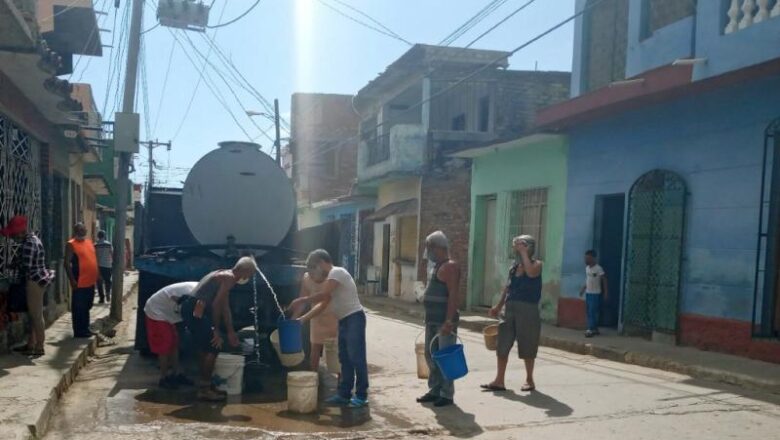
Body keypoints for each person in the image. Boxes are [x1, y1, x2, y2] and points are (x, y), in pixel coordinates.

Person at [289, 249, 368, 408]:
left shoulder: (336, 272)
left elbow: (324, 296)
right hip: (344, 320)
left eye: (314, 266)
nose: (313, 271)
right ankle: (344, 394)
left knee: (356, 357)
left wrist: (301, 300)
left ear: (321, 263)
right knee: (344, 358)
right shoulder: (330, 275)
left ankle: (361, 395)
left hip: (354, 318)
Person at [180, 256, 257, 401]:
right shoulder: (229, 277)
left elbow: (225, 307)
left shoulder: (226, 276)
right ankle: (204, 389)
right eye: (250, 274)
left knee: (207, 347)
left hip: (195, 309)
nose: (249, 277)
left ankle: (206, 386)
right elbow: (216, 305)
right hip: (195, 309)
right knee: (213, 347)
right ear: (245, 271)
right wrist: (215, 329)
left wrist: (230, 331)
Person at [482, 235, 542, 393]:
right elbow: (508, 289)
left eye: (520, 246)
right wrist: (498, 306)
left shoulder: (536, 265)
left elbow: (530, 273)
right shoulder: (513, 268)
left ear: (529, 247)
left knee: (528, 344)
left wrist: (523, 253)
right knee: (502, 344)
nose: (516, 249)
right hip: (510, 308)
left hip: (528, 309)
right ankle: (499, 380)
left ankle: (529, 379)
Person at [416, 231, 461, 408]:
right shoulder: (437, 266)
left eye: (429, 247)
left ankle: (446, 394)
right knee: (430, 355)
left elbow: (453, 296)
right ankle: (434, 389)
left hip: (444, 321)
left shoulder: (450, 266)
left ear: (437, 247)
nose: (427, 252)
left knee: (445, 358)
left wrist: (448, 321)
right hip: (432, 320)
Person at [1, 216, 54, 357]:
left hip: (34, 281)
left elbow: (27, 266)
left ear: (20, 232)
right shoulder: (33, 240)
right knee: (35, 315)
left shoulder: (29, 243)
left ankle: (39, 346)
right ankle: (31, 344)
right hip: (39, 279)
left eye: (13, 234)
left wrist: (13, 268)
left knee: (36, 315)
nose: (12, 237)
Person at [144, 282, 198, 389]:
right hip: (157, 311)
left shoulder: (201, 290)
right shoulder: (192, 291)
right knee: (165, 345)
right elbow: (174, 297)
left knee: (174, 343)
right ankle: (164, 378)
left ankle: (176, 374)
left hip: (170, 314)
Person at [291, 272, 339, 372]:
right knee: (315, 347)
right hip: (316, 317)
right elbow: (302, 300)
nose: (312, 274)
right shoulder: (306, 278)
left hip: (333, 316)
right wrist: (294, 318)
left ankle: (341, 380)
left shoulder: (331, 279)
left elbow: (324, 302)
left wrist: (303, 318)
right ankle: (313, 377)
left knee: (336, 349)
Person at [64, 223, 98, 338]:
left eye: (83, 229)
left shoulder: (89, 242)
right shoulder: (71, 244)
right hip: (79, 281)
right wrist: (72, 280)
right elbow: (67, 263)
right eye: (79, 229)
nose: (82, 231)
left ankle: (86, 328)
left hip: (91, 281)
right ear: (75, 231)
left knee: (87, 306)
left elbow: (93, 259)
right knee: (79, 307)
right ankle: (79, 331)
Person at [579, 250, 608, 338]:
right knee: (589, 311)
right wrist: (583, 289)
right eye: (585, 258)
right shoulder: (587, 268)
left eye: (588, 258)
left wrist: (606, 292)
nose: (586, 260)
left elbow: (604, 280)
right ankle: (594, 328)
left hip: (595, 293)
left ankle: (590, 329)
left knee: (592, 311)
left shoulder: (598, 268)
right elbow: (587, 280)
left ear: (593, 258)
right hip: (588, 293)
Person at [94, 230, 113, 304]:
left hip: (98, 266)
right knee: (108, 281)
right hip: (107, 265)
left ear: (98, 236)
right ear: (104, 236)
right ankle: (108, 293)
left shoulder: (95, 245)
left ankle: (101, 298)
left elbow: (93, 256)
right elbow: (112, 254)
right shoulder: (109, 244)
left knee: (99, 282)